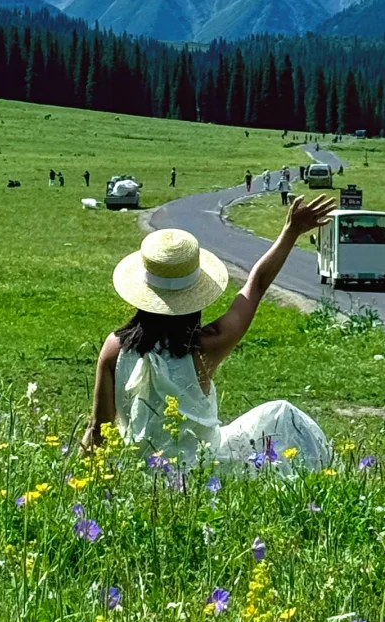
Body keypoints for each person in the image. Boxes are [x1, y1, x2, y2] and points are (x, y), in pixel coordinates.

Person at [82, 197, 335, 470]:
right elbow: (256, 285)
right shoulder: (206, 345)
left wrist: (81, 485)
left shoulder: (114, 348)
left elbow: (98, 429)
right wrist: (290, 232)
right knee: (280, 415)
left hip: (142, 474)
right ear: (195, 293)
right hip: (202, 475)